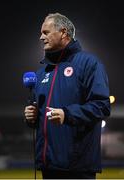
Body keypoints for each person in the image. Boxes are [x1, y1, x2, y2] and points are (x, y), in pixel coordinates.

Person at [24, 12, 110, 179]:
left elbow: (102, 106)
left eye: (46, 32)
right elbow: (37, 116)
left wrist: (67, 114)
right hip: (47, 165)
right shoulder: (41, 72)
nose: (41, 37)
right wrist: (31, 116)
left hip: (77, 167)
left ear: (63, 33)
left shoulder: (89, 63)